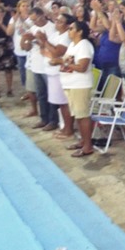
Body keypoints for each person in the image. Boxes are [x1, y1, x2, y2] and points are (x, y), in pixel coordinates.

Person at [51, 20, 96, 157]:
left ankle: (88, 146)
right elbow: (69, 62)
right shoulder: (72, 45)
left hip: (80, 85)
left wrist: (61, 61)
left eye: (71, 28)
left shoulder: (84, 45)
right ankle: (83, 141)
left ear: (80, 31)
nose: (69, 30)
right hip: (71, 84)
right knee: (78, 115)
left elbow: (82, 67)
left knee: (83, 115)